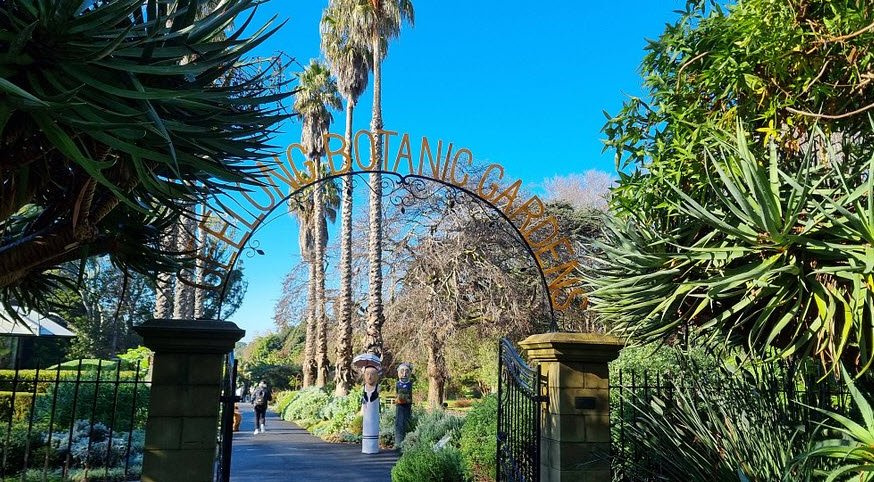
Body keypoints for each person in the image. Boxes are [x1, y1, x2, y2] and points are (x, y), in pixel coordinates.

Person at [395, 363, 413, 447]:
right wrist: (398, 399)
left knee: (407, 422)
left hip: (407, 406)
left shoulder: (410, 384)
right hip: (399, 407)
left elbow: (410, 395)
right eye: (402, 371)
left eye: (406, 371)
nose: (404, 374)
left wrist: (408, 399)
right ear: (398, 373)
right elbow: (396, 393)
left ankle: (406, 443)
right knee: (399, 423)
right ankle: (398, 443)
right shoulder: (397, 384)